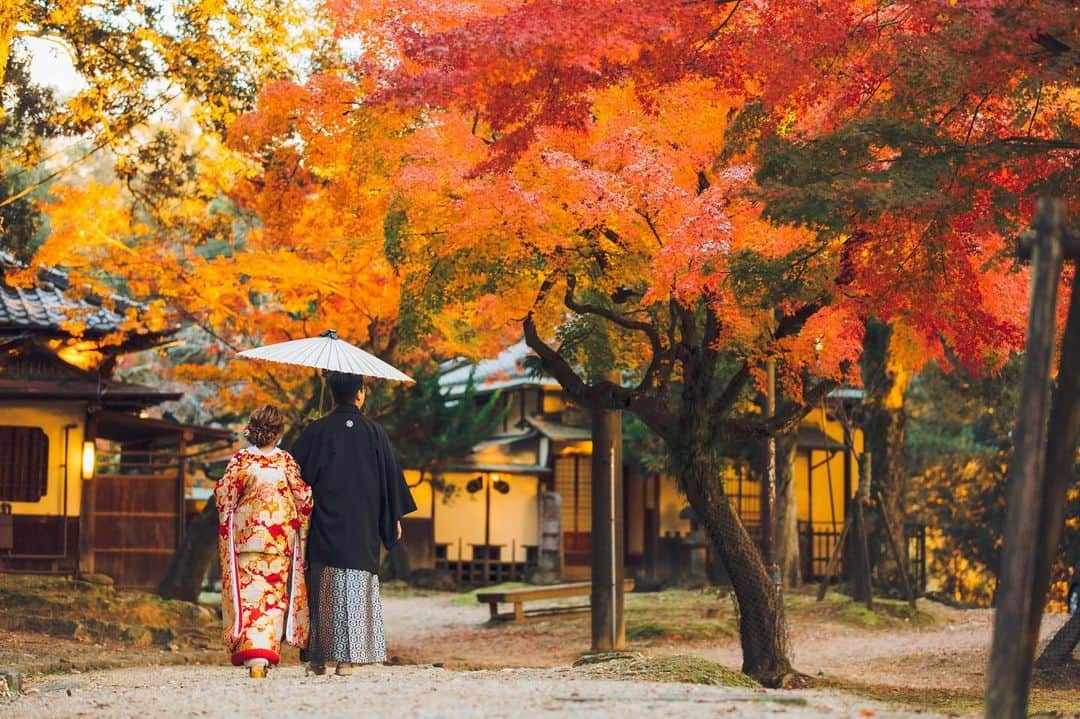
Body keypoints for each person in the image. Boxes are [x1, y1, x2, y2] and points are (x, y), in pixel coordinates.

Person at [291, 372, 417, 676]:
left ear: (333, 395)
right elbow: (390, 481)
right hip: (362, 523)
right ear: (360, 393)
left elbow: (294, 476)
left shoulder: (316, 430)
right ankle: (347, 659)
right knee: (355, 585)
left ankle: (317, 657)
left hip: (324, 522)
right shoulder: (375, 432)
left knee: (322, 585)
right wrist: (392, 518)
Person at [215, 405, 312, 678]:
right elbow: (303, 499)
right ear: (278, 432)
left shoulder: (241, 461)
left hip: (247, 541)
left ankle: (253, 658)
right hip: (278, 542)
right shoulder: (286, 462)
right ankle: (265, 655)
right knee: (272, 602)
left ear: (252, 429)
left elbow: (224, 497)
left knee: (249, 601)